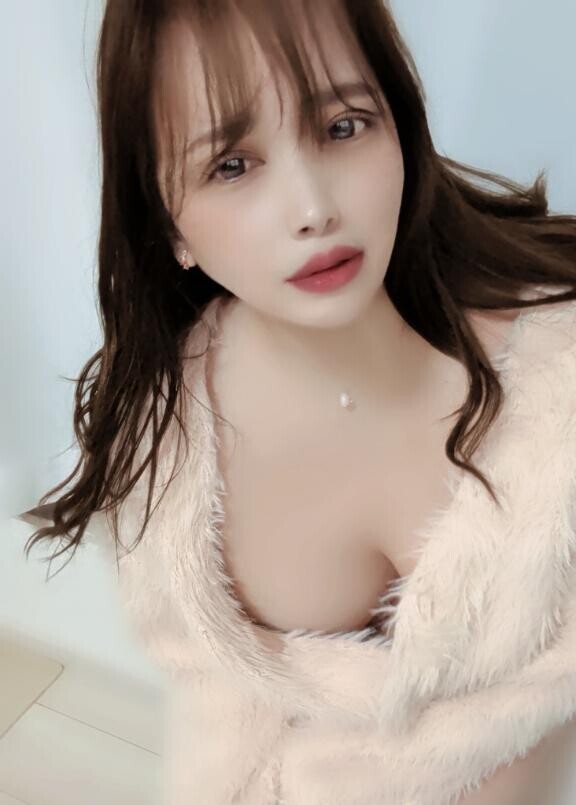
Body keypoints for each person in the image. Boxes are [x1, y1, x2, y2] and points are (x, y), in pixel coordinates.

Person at [26, 1, 576, 803]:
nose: (313, 207)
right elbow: (218, 721)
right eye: (231, 165)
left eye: (343, 126)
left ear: (399, 128)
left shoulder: (556, 387)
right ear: (168, 224)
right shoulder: (172, 461)